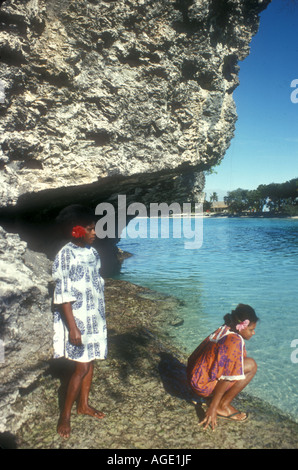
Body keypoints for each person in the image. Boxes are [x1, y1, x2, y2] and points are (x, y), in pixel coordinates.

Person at [52, 204, 107, 439]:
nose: (94, 232)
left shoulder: (92, 253)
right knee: (81, 367)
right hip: (77, 319)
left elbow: (95, 285)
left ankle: (84, 405)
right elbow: (63, 294)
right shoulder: (65, 255)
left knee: (90, 361)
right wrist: (73, 327)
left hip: (94, 316)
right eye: (90, 228)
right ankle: (65, 415)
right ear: (77, 230)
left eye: (94, 228)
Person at [187, 304, 259, 431]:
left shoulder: (226, 327)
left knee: (236, 365)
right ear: (241, 327)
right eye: (251, 329)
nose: (253, 333)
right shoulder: (235, 341)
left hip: (194, 377)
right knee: (251, 365)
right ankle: (222, 406)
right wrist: (213, 407)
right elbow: (226, 377)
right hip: (202, 386)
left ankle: (208, 397)